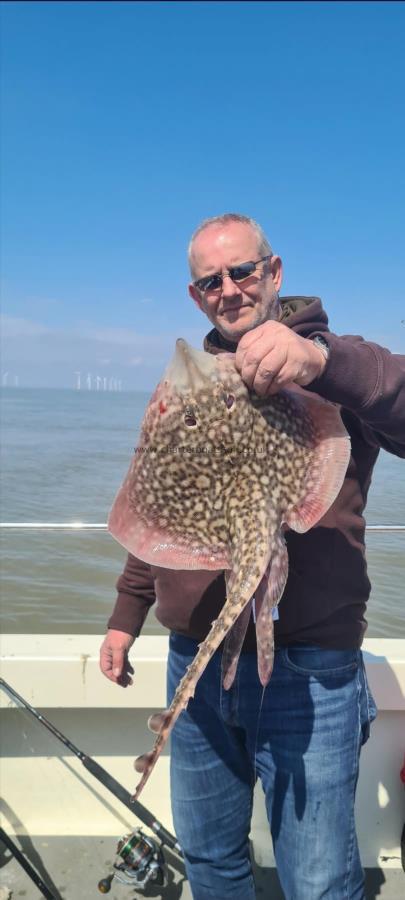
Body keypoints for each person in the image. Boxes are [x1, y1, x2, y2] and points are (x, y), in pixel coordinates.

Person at [100, 213, 405, 900]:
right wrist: (127, 612)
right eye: (212, 280)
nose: (229, 289)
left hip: (312, 673)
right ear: (195, 295)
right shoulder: (189, 384)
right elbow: (162, 507)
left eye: (242, 271)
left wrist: (322, 365)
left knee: (320, 881)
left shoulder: (339, 365)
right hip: (196, 656)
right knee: (209, 859)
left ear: (274, 273)